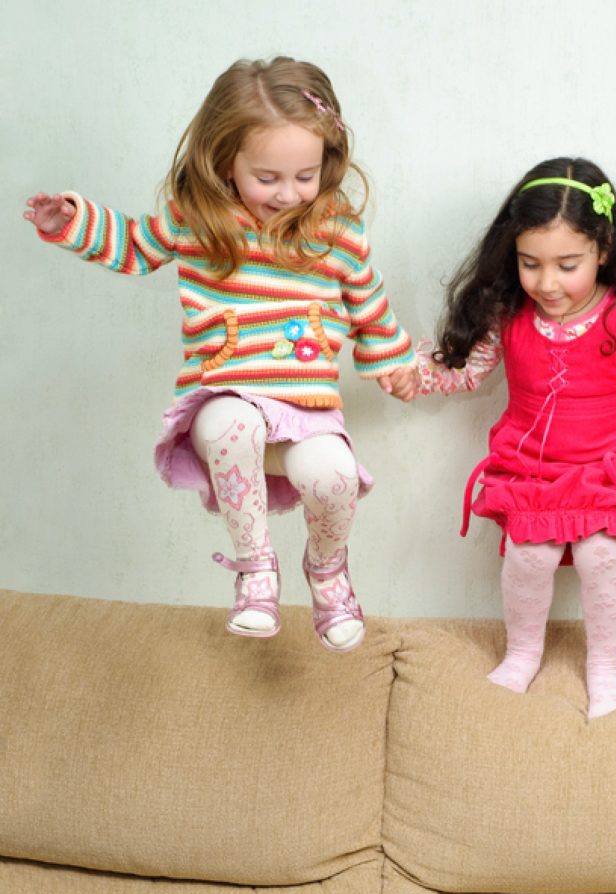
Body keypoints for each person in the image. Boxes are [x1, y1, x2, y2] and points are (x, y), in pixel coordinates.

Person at [24, 56, 415, 653]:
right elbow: (134, 246)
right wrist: (74, 223)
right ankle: (255, 570)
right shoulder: (199, 220)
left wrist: (394, 363)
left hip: (304, 408)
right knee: (233, 421)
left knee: (333, 476)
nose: (288, 194)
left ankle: (328, 571)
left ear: (326, 163)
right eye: (267, 178)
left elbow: (369, 305)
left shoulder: (338, 230)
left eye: (305, 176)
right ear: (223, 160)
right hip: (224, 394)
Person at [385, 157, 616, 718]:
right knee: (529, 556)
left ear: (603, 250)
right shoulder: (510, 316)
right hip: (533, 471)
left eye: (568, 265)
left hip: (608, 469)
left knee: (600, 554)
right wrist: (410, 373)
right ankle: (522, 654)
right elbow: (465, 371)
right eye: (530, 264)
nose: (547, 283)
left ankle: (605, 669)